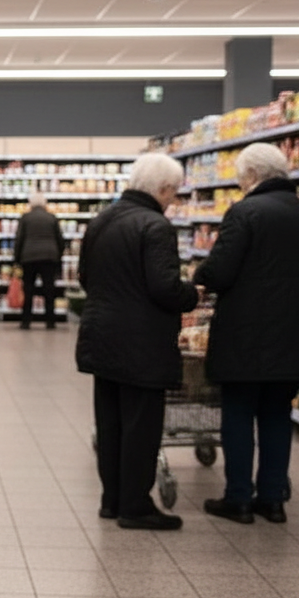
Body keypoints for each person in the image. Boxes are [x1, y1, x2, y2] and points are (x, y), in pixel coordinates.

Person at [196, 143, 299, 524]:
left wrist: (198, 278)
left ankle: (238, 498)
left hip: (247, 334)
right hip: (295, 333)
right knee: (276, 414)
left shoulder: (246, 212)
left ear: (252, 175)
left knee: (238, 412)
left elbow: (221, 270)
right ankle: (272, 499)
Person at [75, 153, 199, 530]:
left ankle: (111, 500)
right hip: (141, 344)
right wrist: (191, 294)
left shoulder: (101, 220)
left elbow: (84, 276)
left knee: (110, 423)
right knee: (141, 427)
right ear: (162, 188)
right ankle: (136, 506)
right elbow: (164, 288)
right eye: (173, 193)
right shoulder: (155, 226)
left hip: (101, 336)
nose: (173, 201)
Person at [14, 192, 66, 329]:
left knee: (28, 290)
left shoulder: (25, 218)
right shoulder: (51, 218)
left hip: (29, 256)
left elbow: (19, 239)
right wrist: (58, 255)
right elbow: (60, 239)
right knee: (49, 289)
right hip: (49, 256)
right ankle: (50, 321)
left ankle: (26, 321)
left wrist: (17, 259)